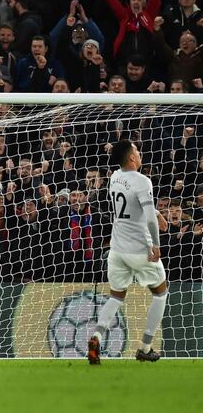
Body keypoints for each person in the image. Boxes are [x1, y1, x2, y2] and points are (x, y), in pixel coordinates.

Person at [87, 140, 165, 365]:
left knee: (116, 297)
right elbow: (148, 217)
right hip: (139, 249)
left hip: (117, 250)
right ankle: (145, 348)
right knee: (160, 293)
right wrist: (156, 245)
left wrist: (157, 212)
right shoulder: (143, 181)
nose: (140, 154)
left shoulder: (114, 177)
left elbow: (132, 202)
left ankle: (96, 336)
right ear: (131, 157)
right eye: (137, 151)